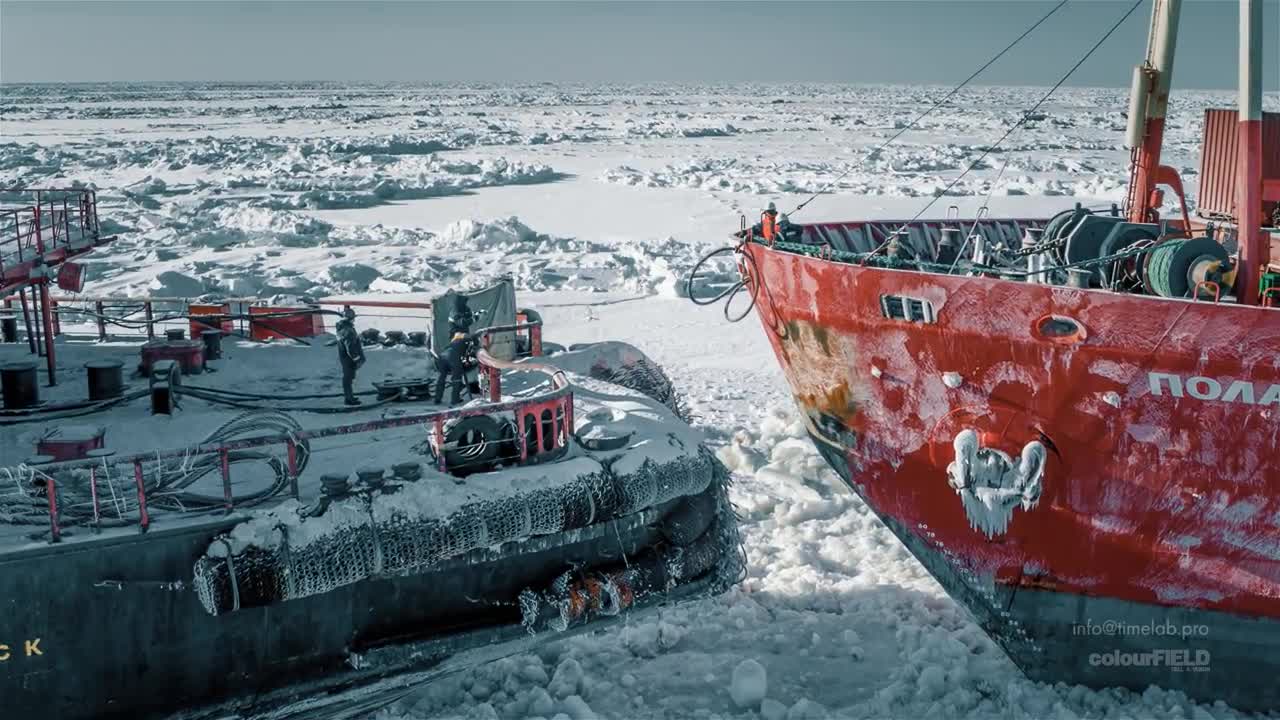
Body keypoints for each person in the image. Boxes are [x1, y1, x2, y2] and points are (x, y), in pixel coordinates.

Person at [434, 296, 475, 406]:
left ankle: (437, 398)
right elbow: (462, 323)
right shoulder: (456, 312)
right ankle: (454, 399)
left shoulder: (455, 337)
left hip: (443, 355)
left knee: (442, 377)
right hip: (454, 356)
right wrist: (474, 318)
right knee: (456, 377)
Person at [335, 306, 365, 406]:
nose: (354, 320)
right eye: (353, 318)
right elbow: (350, 347)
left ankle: (349, 396)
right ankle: (349, 399)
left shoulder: (343, 328)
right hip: (349, 359)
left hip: (345, 358)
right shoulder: (347, 330)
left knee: (348, 378)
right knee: (348, 378)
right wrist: (357, 359)